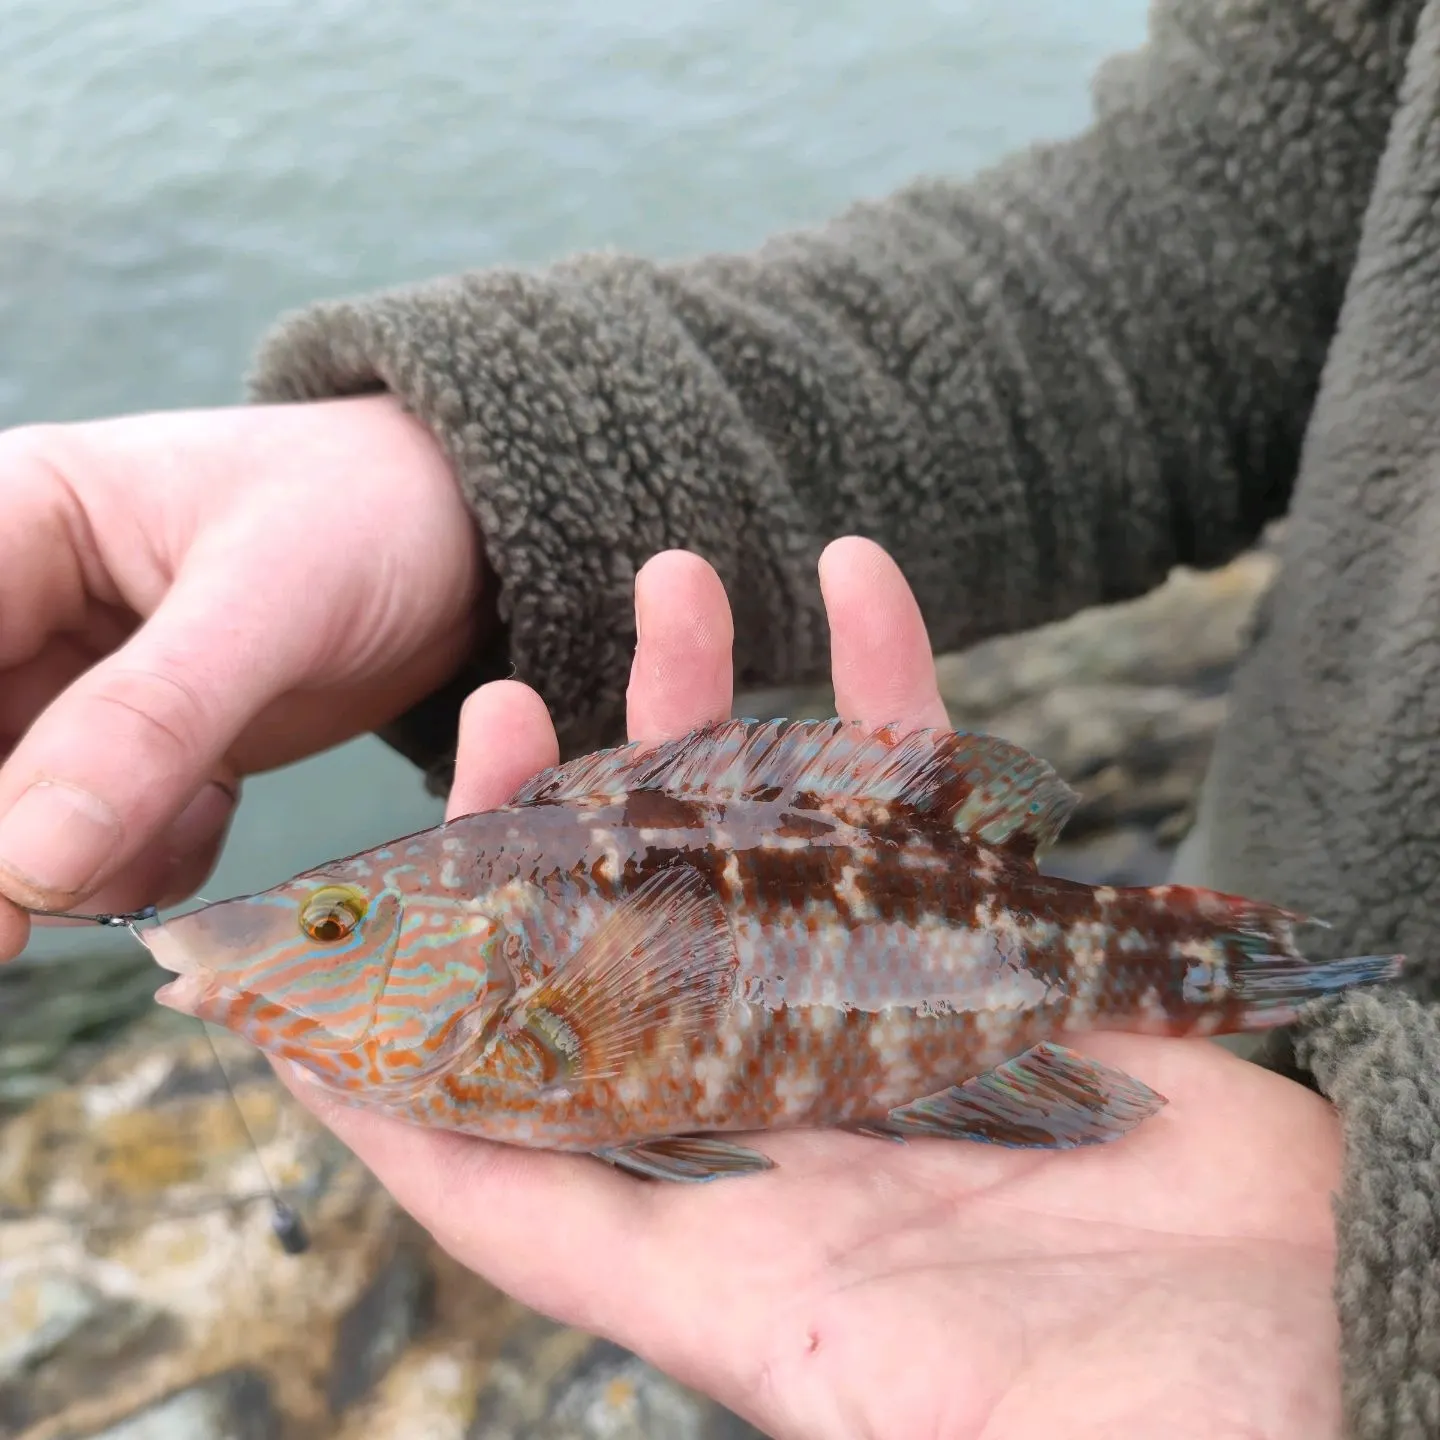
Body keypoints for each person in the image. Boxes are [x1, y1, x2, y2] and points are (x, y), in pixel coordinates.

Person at [0, 0, 1435, 1432]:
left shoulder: (519, 1014)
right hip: (1272, 1110)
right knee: (1278, 966)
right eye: (333, 917)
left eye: (335, 925)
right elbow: (1222, 224)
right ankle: (1278, 971)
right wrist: (451, 484)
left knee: (1259, 969)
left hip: (1261, 1160)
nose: (300, 937)